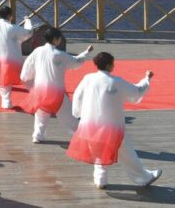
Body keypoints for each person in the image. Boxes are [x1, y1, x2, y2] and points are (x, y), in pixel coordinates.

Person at [67, 52, 162, 189]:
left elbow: (77, 96)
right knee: (127, 151)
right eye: (113, 63)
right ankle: (143, 177)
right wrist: (147, 79)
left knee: (99, 149)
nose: (114, 65)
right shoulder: (116, 81)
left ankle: (100, 179)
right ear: (109, 65)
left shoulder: (88, 78)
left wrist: (79, 113)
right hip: (112, 127)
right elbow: (136, 92)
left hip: (90, 124)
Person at [20, 28, 93, 143]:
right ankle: (83, 135)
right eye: (59, 39)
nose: (60, 41)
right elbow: (76, 62)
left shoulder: (37, 51)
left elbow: (26, 72)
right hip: (56, 92)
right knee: (68, 117)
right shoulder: (60, 55)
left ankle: (37, 136)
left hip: (40, 90)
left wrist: (30, 84)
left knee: (41, 114)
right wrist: (86, 53)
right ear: (55, 39)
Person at [0, 6, 33, 109]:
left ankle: (6, 100)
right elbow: (28, 32)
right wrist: (27, 21)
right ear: (10, 16)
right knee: (24, 76)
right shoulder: (13, 28)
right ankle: (36, 95)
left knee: (2, 80)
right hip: (12, 58)